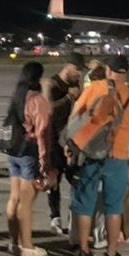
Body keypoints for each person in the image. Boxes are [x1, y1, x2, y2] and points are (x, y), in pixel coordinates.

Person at [67, 55, 129, 256]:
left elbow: (76, 116)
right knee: (113, 207)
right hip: (118, 158)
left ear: (109, 71)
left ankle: (83, 251)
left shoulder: (95, 89)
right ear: (125, 73)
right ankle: (111, 253)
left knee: (84, 205)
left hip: (92, 154)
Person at [4, 62, 52, 256]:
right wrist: (45, 160)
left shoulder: (18, 96)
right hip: (29, 151)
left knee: (14, 197)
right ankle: (27, 245)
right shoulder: (37, 99)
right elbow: (42, 131)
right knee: (26, 201)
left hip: (13, 151)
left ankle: (14, 241)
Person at [45, 52, 85, 235]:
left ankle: (73, 218)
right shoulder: (52, 84)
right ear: (68, 66)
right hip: (52, 139)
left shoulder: (77, 85)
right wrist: (68, 98)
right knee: (54, 180)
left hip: (70, 139)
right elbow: (47, 109)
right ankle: (55, 217)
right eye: (77, 70)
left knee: (75, 178)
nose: (79, 74)